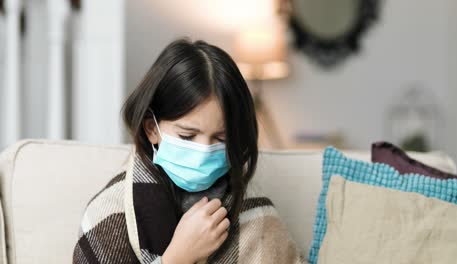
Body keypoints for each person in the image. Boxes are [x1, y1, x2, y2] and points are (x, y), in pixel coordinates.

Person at [72, 38, 306, 264]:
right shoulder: (111, 212)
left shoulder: (253, 211)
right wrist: (177, 258)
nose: (204, 151)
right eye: (187, 136)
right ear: (152, 128)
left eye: (220, 138)